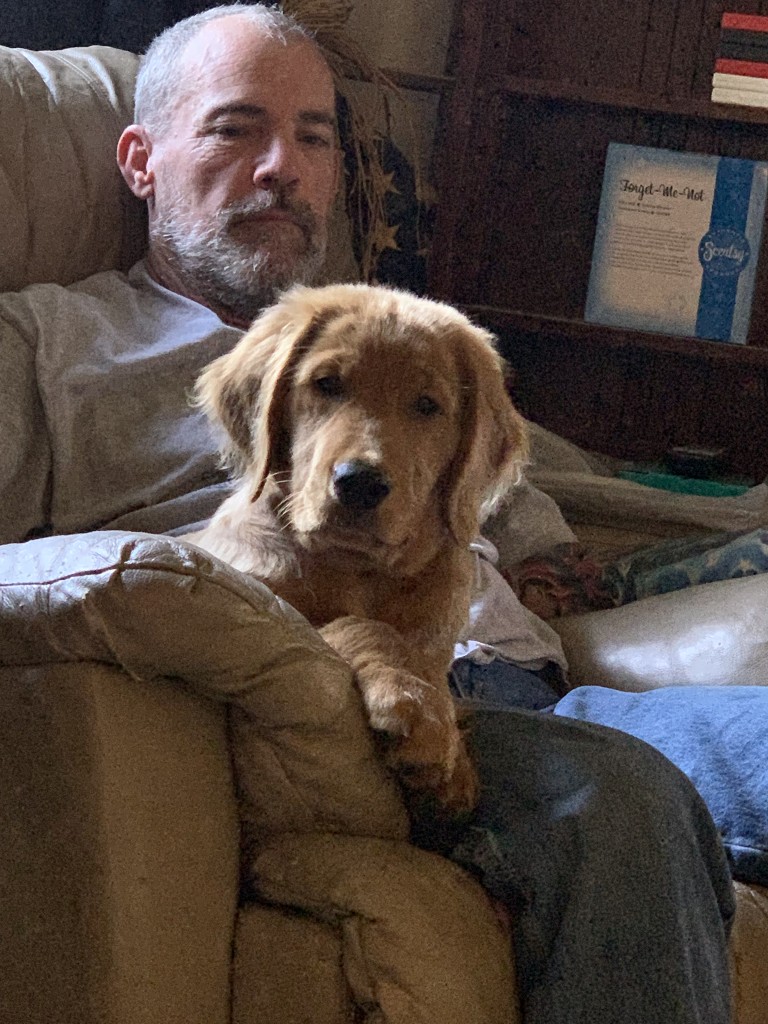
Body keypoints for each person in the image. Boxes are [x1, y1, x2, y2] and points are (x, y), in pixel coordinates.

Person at [0, 5, 763, 1022]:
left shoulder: (402, 337)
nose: (283, 167)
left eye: (314, 137)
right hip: (372, 728)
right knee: (616, 797)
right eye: (236, 129)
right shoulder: (53, 344)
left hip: (547, 692)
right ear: (141, 161)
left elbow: (513, 491)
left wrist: (546, 559)